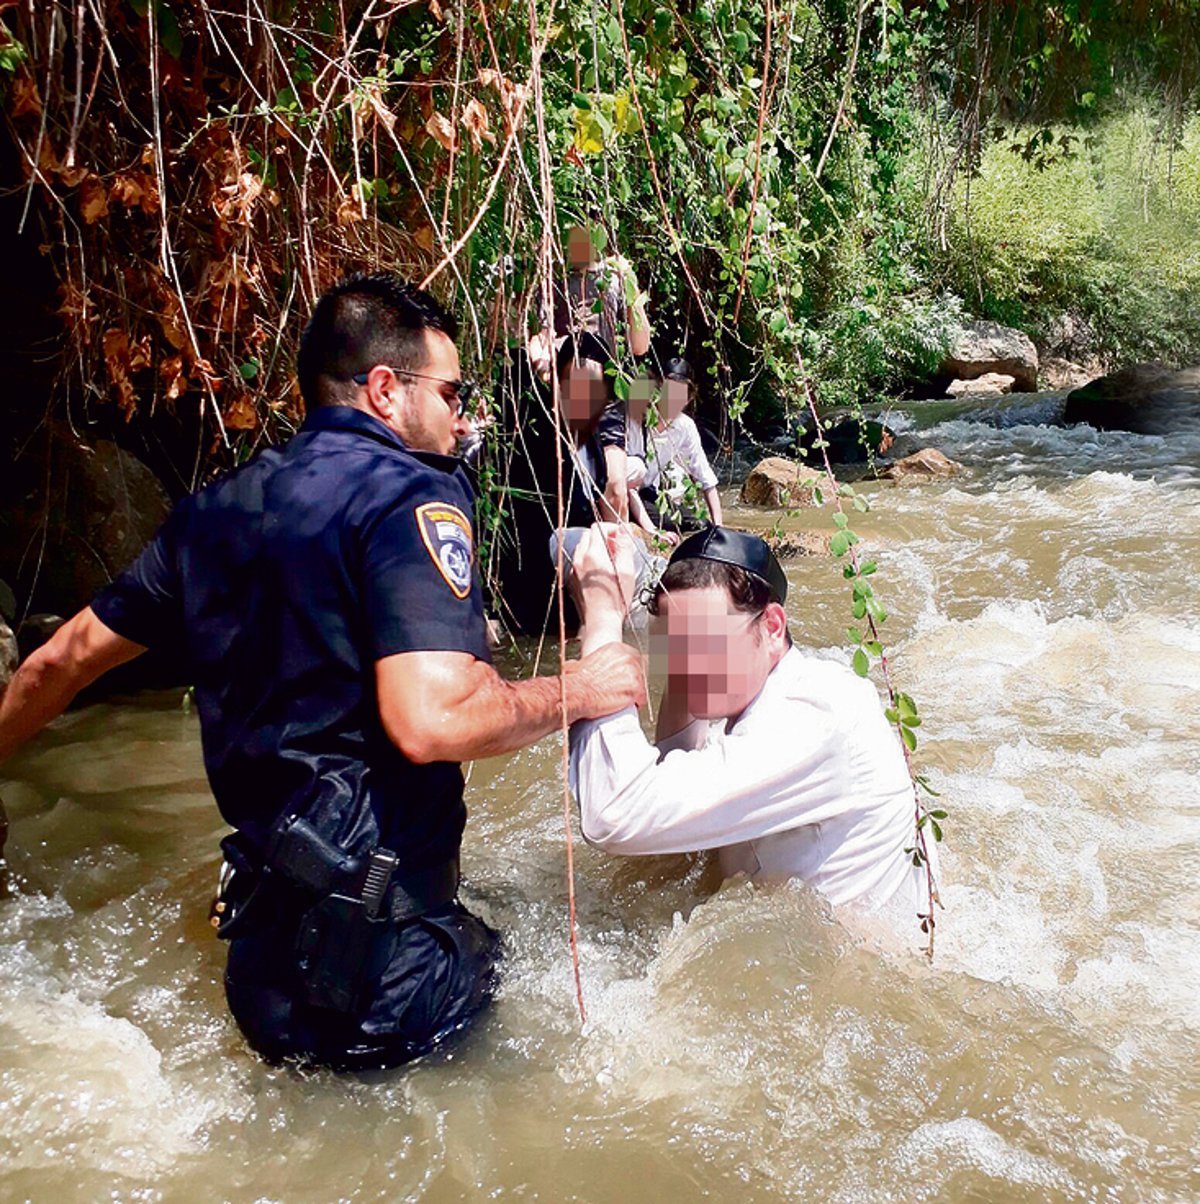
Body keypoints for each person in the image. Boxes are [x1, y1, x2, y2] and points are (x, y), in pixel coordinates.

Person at [0, 274, 645, 1070]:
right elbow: (435, 719)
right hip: (393, 978)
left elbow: (53, 665)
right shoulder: (409, 495)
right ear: (385, 390)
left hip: (261, 966)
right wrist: (585, 689)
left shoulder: (212, 512)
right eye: (451, 392)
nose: (461, 415)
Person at [566, 524, 930, 920]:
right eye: (674, 647)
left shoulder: (812, 716)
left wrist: (600, 619)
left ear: (772, 627)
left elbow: (615, 816)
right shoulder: (758, 690)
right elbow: (668, 789)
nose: (687, 668)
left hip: (863, 961)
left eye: (707, 644)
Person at [492, 332, 618, 636]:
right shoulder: (538, 430)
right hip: (531, 579)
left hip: (568, 589)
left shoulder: (594, 442)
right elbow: (509, 388)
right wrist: (530, 361)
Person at [528, 221, 652, 522]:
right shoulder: (553, 283)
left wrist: (631, 284)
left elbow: (640, 346)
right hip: (564, 392)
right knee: (568, 484)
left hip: (606, 393)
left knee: (616, 487)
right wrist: (541, 359)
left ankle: (614, 554)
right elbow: (542, 336)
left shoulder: (614, 280)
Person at [626, 357, 722, 542]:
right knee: (670, 523)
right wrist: (652, 530)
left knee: (701, 525)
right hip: (626, 492)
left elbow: (706, 479)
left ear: (689, 398)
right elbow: (627, 483)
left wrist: (719, 528)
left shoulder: (685, 426)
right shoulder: (636, 420)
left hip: (649, 493)